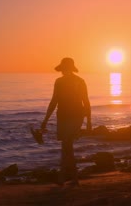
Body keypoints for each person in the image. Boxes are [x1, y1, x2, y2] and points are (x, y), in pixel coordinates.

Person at [41, 57, 91, 185]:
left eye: (64, 69)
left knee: (67, 145)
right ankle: (72, 178)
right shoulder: (60, 81)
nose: (63, 71)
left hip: (74, 116)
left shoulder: (79, 82)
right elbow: (54, 101)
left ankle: (64, 178)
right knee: (66, 146)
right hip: (63, 116)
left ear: (67, 68)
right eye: (62, 69)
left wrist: (89, 122)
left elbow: (86, 102)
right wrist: (45, 120)